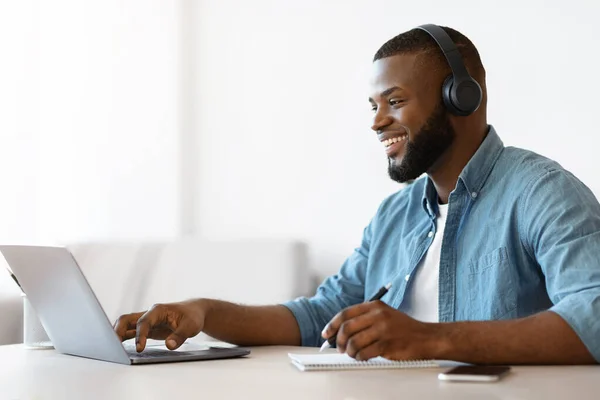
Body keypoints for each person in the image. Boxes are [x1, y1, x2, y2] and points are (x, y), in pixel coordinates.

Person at [114, 25, 600, 365]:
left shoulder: (544, 193)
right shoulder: (396, 215)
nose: (376, 121)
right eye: (373, 105)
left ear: (461, 98)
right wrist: (203, 312)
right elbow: (321, 315)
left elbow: (593, 318)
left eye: (395, 101)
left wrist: (427, 339)